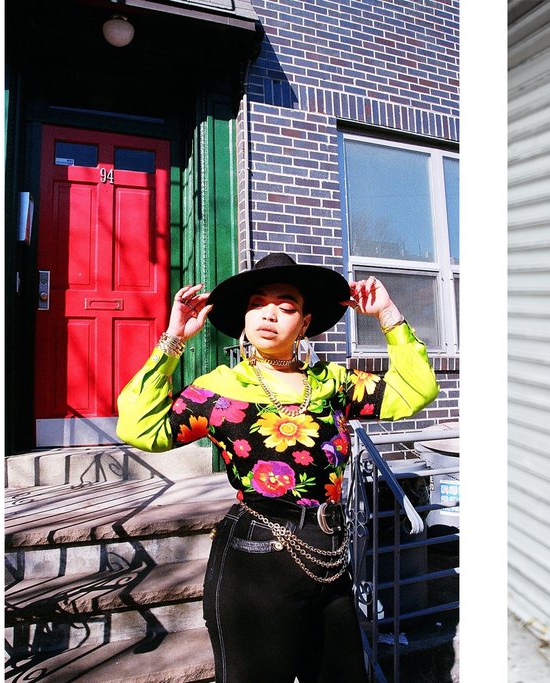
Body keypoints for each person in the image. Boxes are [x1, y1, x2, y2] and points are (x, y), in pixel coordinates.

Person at [116, 252, 439, 682]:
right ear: (245, 319)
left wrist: (388, 316)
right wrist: (174, 340)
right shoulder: (218, 390)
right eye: (257, 304)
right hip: (255, 559)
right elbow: (140, 427)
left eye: (286, 307)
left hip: (330, 555)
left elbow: (415, 390)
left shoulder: (333, 384)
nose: (270, 314)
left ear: (304, 323)